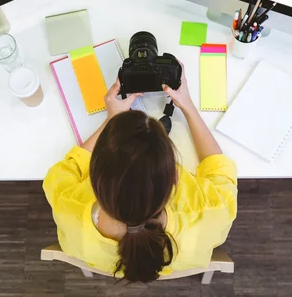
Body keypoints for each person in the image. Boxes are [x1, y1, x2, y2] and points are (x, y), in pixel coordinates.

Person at [43, 64, 237, 283]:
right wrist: (188, 106)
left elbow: (68, 168)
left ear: (94, 177)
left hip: (92, 256)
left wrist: (111, 119)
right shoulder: (211, 211)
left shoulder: (66, 204)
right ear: (175, 177)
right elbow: (219, 168)